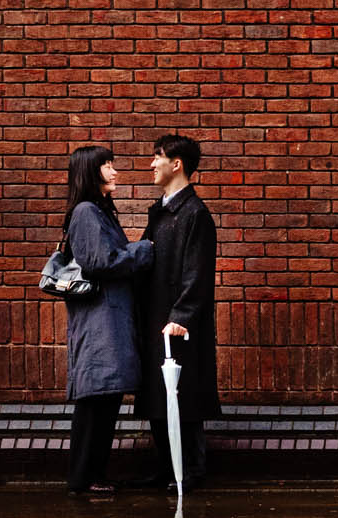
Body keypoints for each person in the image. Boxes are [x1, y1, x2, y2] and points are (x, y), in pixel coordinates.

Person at [59, 143, 154, 494]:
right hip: (98, 323)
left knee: (105, 400)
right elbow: (101, 262)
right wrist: (144, 250)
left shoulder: (99, 210)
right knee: (95, 403)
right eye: (107, 166)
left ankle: (92, 475)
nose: (115, 171)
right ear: (90, 171)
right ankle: (83, 479)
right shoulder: (86, 212)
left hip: (108, 319)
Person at [134, 132, 219, 488]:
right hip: (156, 318)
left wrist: (181, 317)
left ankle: (192, 470)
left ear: (176, 164)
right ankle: (168, 468)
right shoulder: (161, 212)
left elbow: (197, 273)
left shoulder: (195, 215)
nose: (152, 164)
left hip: (178, 324)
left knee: (184, 397)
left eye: (157, 157)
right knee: (159, 394)